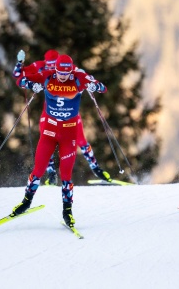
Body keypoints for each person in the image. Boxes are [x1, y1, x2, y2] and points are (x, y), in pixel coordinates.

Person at [11, 54, 107, 227]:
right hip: (49, 131)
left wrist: (95, 86)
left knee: (66, 175)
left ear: (71, 70)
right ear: (55, 69)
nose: (63, 76)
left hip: (68, 133)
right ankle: (26, 202)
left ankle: (67, 211)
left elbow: (102, 88)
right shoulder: (47, 75)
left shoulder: (79, 77)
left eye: (66, 73)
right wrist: (32, 84)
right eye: (60, 72)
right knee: (38, 170)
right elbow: (19, 80)